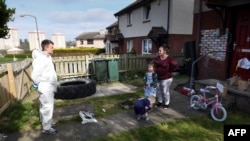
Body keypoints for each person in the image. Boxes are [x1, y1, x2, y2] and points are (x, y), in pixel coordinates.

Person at [31, 39, 58, 134]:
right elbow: (35, 74)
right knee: (47, 107)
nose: (53, 49)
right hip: (45, 86)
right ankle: (47, 128)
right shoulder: (40, 59)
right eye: (51, 47)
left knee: (45, 105)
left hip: (49, 85)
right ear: (46, 47)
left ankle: (47, 122)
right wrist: (35, 84)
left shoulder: (46, 57)